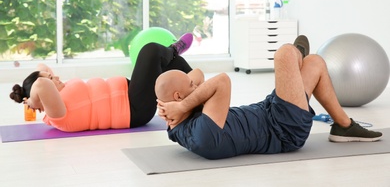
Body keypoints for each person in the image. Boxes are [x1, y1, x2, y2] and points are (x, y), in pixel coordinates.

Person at [155, 35, 383, 160]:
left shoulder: (180, 121)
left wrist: (173, 105)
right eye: (191, 86)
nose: (196, 84)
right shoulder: (203, 131)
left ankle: (344, 126)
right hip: (284, 129)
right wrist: (181, 103)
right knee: (284, 53)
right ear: (179, 95)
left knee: (315, 62)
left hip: (271, 112)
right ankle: (295, 57)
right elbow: (222, 80)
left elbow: (197, 75)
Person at [9, 33, 198, 132]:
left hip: (132, 93)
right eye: (51, 78)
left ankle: (195, 84)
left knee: (170, 64)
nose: (55, 77)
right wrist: (30, 101)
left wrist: (33, 85)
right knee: (150, 51)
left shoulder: (60, 92)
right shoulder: (57, 114)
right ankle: (174, 48)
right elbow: (42, 85)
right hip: (134, 110)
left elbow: (42, 70)